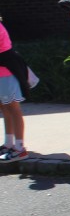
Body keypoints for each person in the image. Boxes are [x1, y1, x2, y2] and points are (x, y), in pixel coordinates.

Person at [0, 19, 30, 162]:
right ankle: (8, 144)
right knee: (5, 108)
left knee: (13, 108)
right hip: (2, 73)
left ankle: (19, 148)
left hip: (6, 72)